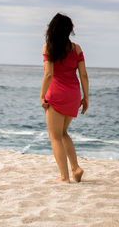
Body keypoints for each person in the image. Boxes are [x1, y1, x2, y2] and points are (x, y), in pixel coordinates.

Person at [40, 13, 89, 183]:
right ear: (69, 30)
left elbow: (48, 74)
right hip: (74, 96)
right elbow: (83, 75)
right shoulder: (77, 49)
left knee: (55, 137)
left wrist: (41, 96)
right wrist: (86, 97)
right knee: (63, 133)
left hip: (56, 95)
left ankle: (64, 176)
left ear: (52, 29)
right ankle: (75, 169)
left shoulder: (49, 47)